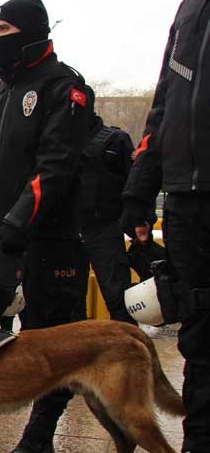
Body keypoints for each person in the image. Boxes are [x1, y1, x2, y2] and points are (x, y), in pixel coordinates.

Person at [0, 0, 91, 453]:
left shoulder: (64, 86)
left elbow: (54, 168)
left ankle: (39, 437)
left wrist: (15, 226)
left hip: (47, 238)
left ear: (31, 29)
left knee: (48, 336)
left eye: (6, 27)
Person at [124, 0, 210, 453]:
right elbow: (164, 101)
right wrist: (141, 185)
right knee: (202, 345)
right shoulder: (194, 1)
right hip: (187, 197)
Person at [77, 104, 135, 324]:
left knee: (118, 298)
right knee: (70, 302)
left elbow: (133, 183)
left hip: (105, 227)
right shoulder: (59, 141)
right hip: (69, 232)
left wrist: (139, 220)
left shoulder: (116, 139)